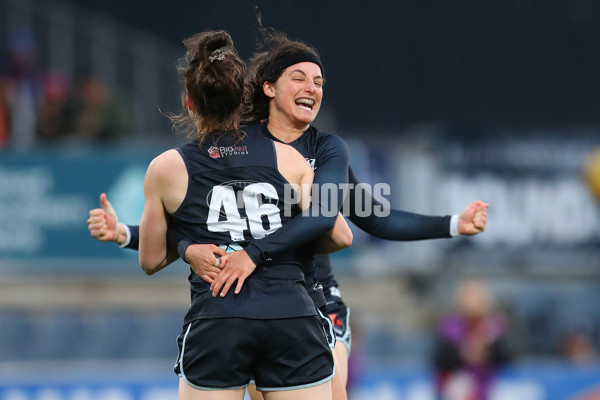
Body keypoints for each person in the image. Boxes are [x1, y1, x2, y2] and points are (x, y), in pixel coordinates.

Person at [88, 20, 488, 400]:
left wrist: (452, 224)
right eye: (299, 77)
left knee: (334, 390)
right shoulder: (245, 142)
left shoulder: (325, 149)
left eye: (318, 82)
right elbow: (195, 227)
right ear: (267, 88)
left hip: (315, 293)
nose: (311, 88)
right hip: (264, 296)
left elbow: (370, 218)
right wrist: (158, 240)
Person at [133, 29, 352, 400]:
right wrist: (269, 247)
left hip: (218, 317)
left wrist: (188, 246)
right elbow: (340, 235)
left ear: (188, 102)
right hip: (291, 316)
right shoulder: (289, 158)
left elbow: (151, 259)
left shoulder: (166, 168)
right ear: (241, 100)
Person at [432, 278, 511, 400]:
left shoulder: (494, 326)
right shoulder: (449, 326)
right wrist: (463, 353)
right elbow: (440, 359)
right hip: (455, 390)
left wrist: (486, 350)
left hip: (486, 388)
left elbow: (506, 355)